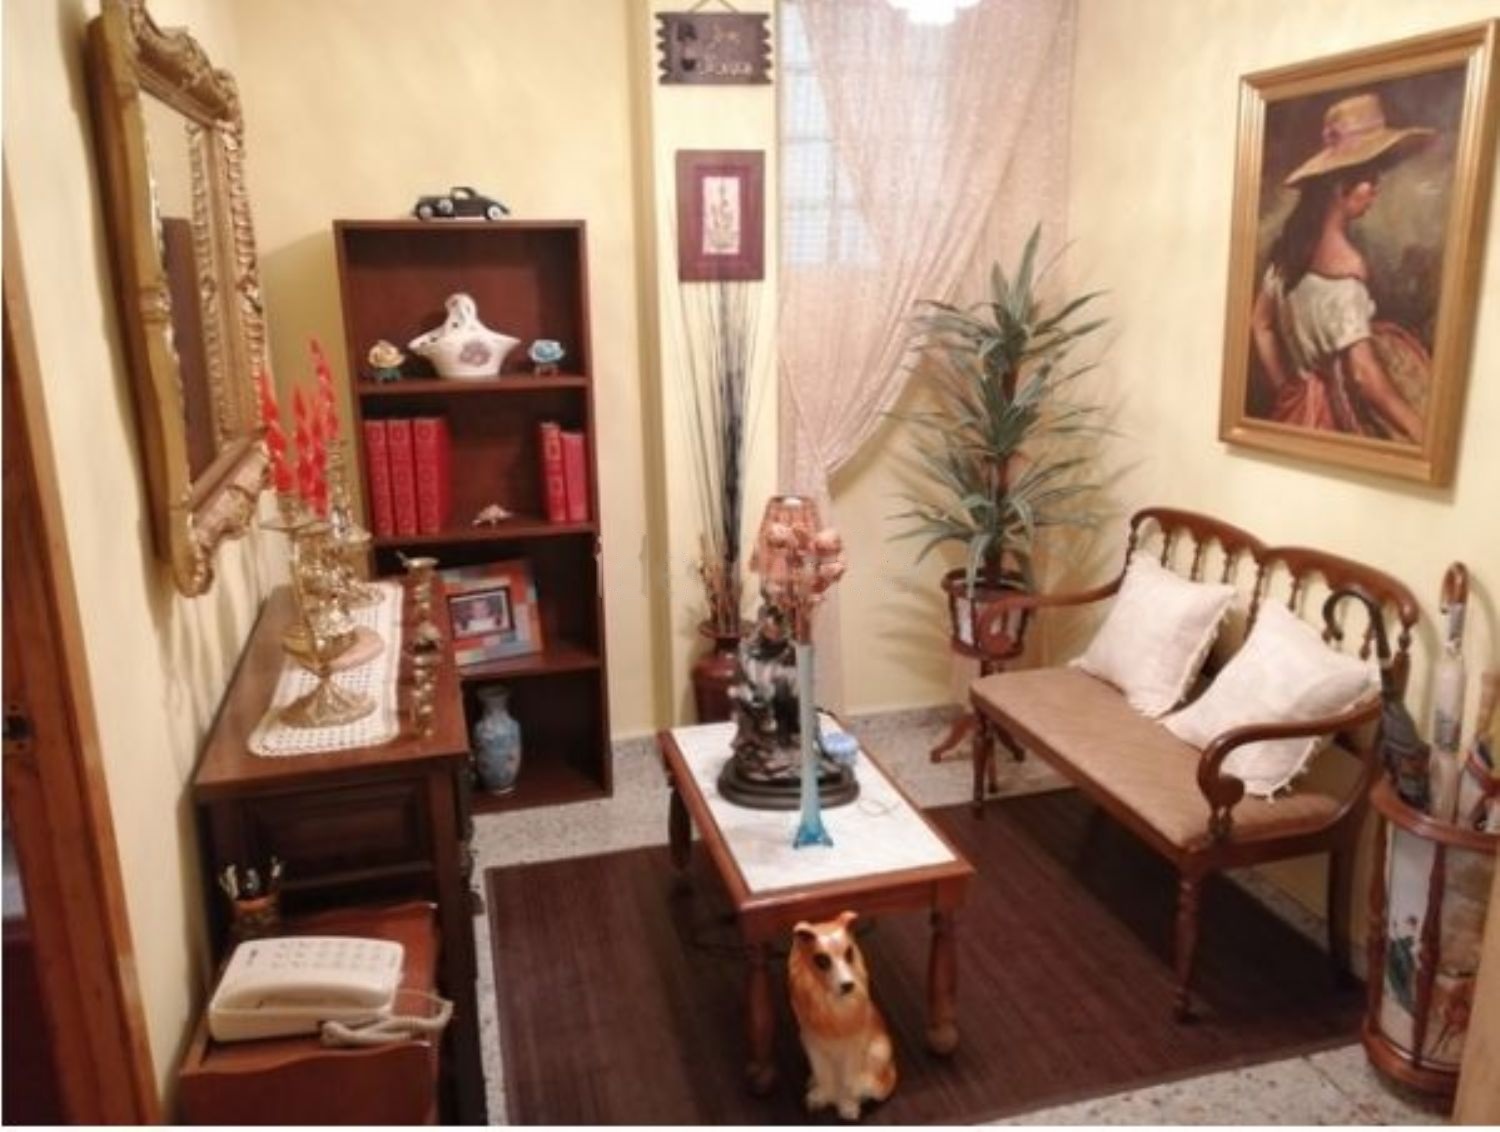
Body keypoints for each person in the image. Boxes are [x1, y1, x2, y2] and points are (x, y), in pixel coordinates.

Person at [1249, 92, 1434, 443]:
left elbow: (1261, 325)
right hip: (1334, 421)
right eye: (1370, 177)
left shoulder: (1286, 256)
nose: (1376, 188)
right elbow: (1364, 377)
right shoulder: (1347, 270)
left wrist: (1289, 389)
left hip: (1297, 415)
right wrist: (1420, 430)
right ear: (1339, 186)